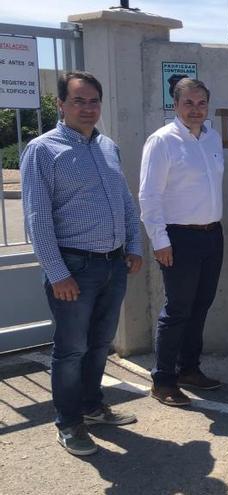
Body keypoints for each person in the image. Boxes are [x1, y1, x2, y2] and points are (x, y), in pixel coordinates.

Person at [21, 71, 143, 456]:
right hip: (74, 268)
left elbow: (124, 201)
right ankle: (69, 423)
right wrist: (58, 274)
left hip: (112, 264)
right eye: (78, 101)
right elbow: (37, 218)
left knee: (100, 344)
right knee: (71, 350)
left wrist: (133, 244)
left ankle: (92, 407)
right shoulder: (43, 150)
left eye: (93, 101)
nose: (87, 108)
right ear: (60, 104)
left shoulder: (108, 146)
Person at [139, 78, 224, 406]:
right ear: (175, 105)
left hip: (211, 235)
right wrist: (160, 241)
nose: (195, 109)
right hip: (179, 237)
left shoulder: (211, 138)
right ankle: (163, 379)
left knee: (200, 306)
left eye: (201, 103)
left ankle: (189, 369)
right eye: (188, 103)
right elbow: (148, 195)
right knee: (177, 309)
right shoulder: (162, 141)